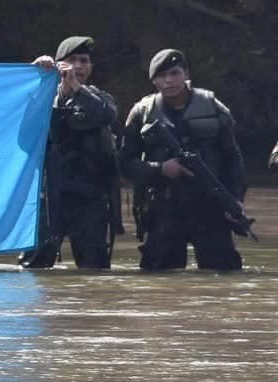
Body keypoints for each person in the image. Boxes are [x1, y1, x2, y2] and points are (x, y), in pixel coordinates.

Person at [119, 48, 247, 272]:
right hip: (163, 211)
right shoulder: (142, 113)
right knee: (158, 277)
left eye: (174, 73)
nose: (169, 80)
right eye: (162, 76)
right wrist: (160, 169)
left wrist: (235, 198)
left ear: (185, 73)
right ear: (154, 81)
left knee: (223, 274)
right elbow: (124, 164)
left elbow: (233, 160)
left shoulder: (215, 109)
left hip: (210, 208)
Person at [18, 35, 120, 270]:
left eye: (84, 61)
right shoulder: (41, 101)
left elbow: (107, 116)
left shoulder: (99, 98)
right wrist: (36, 79)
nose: (79, 66)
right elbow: (24, 139)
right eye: (72, 60)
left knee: (94, 269)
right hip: (49, 197)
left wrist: (75, 87)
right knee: (34, 267)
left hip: (89, 199)